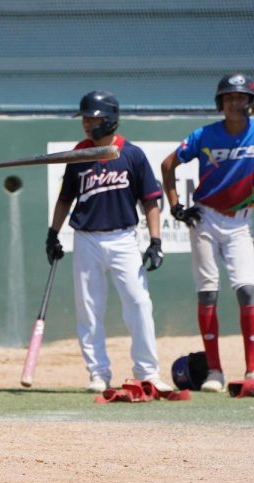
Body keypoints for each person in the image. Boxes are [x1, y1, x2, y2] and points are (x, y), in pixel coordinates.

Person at [46, 90, 173, 393]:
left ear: (111, 119)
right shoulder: (79, 154)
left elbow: (151, 200)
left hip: (124, 238)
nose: (88, 125)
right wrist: (53, 233)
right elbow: (65, 199)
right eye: (85, 120)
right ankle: (98, 373)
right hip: (87, 239)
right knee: (88, 309)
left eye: (94, 119)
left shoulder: (132, 154)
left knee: (139, 303)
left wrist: (155, 241)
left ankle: (148, 372)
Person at [160, 73, 254, 392]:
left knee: (247, 290)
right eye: (228, 98)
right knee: (207, 291)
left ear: (249, 102)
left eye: (240, 97)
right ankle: (214, 372)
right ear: (220, 103)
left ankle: (252, 369)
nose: (234, 103)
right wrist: (175, 206)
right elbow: (167, 164)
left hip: (240, 221)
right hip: (205, 218)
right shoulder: (203, 135)